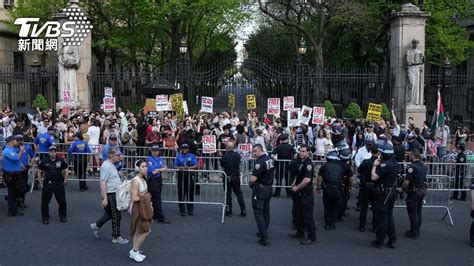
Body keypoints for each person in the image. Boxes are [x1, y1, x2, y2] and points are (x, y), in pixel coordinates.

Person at [90, 146, 129, 244]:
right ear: (111, 156)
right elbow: (103, 183)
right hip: (110, 194)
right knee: (116, 215)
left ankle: (96, 226)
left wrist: (120, 159)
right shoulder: (106, 166)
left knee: (110, 214)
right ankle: (116, 236)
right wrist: (105, 199)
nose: (120, 156)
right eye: (118, 155)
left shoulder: (111, 164)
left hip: (113, 193)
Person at [370, 141, 399, 249]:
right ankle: (392, 239)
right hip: (390, 192)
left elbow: (374, 177)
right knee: (389, 216)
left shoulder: (386, 164)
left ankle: (380, 240)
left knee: (381, 218)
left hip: (383, 194)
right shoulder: (394, 162)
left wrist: (374, 165)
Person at [289, 145, 316, 245]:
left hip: (306, 193)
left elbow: (307, 180)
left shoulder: (308, 164)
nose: (301, 153)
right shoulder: (301, 162)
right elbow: (298, 174)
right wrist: (294, 183)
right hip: (299, 193)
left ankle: (311, 237)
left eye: (303, 151)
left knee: (307, 215)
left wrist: (297, 187)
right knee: (297, 213)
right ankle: (299, 232)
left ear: (308, 152)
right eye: (300, 151)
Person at [249, 144, 274, 246]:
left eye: (255, 151)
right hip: (269, 187)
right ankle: (264, 231)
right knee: (266, 211)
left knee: (258, 212)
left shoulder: (259, 162)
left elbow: (253, 179)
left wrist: (250, 182)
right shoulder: (270, 159)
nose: (253, 154)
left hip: (260, 189)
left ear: (260, 150)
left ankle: (264, 237)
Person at [37, 145, 69, 224]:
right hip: (48, 184)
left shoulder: (61, 160)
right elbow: (39, 172)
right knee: (45, 202)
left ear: (56, 152)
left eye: (54, 152)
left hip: (59, 183)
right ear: (48, 152)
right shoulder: (44, 161)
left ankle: (63, 216)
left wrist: (65, 180)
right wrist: (40, 183)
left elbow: (66, 170)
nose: (53, 153)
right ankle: (45, 217)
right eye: (51, 152)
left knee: (62, 201)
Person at [129, 160, 153, 263]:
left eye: (145, 166)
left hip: (143, 207)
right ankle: (135, 250)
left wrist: (146, 198)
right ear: (137, 168)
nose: (145, 168)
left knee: (139, 230)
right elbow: (134, 198)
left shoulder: (143, 179)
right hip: (138, 208)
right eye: (142, 167)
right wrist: (146, 198)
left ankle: (134, 251)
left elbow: (144, 193)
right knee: (146, 230)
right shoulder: (136, 180)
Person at [400, 151, 427, 239]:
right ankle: (417, 229)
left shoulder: (412, 167)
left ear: (413, 156)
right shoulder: (424, 166)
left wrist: (402, 188)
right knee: (418, 211)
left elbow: (406, 181)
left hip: (414, 192)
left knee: (412, 213)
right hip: (422, 190)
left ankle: (414, 232)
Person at [317, 150, 344, 231]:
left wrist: (318, 188)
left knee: (327, 206)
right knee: (335, 207)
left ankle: (327, 224)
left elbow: (320, 178)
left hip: (327, 189)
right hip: (337, 189)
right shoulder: (340, 168)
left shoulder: (324, 166)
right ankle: (332, 224)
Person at [220, 141, 246, 217]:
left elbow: (222, 165)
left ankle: (229, 210)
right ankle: (243, 209)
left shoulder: (224, 156)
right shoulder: (237, 155)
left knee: (228, 194)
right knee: (238, 193)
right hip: (236, 176)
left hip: (227, 176)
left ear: (227, 148)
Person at [357, 145, 379, 232]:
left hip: (365, 186)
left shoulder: (365, 162)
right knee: (375, 208)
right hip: (375, 187)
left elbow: (359, 170)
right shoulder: (379, 163)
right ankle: (374, 227)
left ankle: (362, 225)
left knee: (364, 207)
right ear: (378, 153)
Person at [147, 145, 170, 224]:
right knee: (157, 198)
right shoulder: (149, 159)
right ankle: (161, 216)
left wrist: (159, 169)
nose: (155, 152)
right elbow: (153, 171)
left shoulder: (160, 158)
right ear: (151, 151)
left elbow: (166, 168)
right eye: (154, 150)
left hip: (158, 179)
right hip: (152, 180)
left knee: (155, 197)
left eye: (157, 150)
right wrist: (161, 169)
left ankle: (154, 214)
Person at [2, 136, 25, 216]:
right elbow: (16, 157)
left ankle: (12, 205)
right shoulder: (7, 150)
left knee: (15, 191)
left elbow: (16, 160)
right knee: (18, 190)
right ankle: (12, 208)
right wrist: (21, 150)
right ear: (11, 141)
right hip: (10, 174)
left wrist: (20, 164)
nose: (17, 141)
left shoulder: (11, 149)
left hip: (15, 174)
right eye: (16, 140)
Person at [174, 143, 198, 216]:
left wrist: (189, 168)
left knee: (190, 194)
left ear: (188, 149)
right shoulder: (178, 156)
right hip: (181, 176)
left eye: (186, 148)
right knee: (181, 193)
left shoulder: (192, 156)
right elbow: (175, 165)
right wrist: (179, 168)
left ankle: (190, 209)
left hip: (189, 176)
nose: (185, 150)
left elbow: (195, 165)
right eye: (183, 148)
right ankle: (182, 210)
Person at [15, 134, 35, 210]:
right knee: (16, 186)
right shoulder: (13, 147)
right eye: (18, 140)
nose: (19, 141)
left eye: (21, 140)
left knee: (24, 186)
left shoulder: (26, 147)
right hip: (16, 169)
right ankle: (15, 199)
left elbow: (33, 155)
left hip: (24, 169)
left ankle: (21, 201)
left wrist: (30, 163)